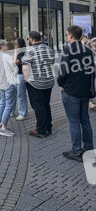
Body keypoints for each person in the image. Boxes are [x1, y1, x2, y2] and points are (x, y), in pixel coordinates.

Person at [58, 25, 95, 162]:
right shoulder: (88, 50)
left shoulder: (68, 49)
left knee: (74, 121)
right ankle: (89, 147)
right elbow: (92, 71)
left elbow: (63, 71)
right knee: (85, 120)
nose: (67, 36)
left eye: (67, 34)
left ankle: (76, 150)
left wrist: (60, 84)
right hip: (85, 90)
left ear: (71, 36)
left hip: (71, 90)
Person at [22, 31, 55, 138]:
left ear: (31, 39)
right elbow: (52, 62)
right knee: (46, 104)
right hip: (48, 81)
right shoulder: (49, 49)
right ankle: (48, 127)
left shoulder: (30, 50)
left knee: (38, 106)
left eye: (28, 39)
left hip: (35, 82)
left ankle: (41, 130)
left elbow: (26, 67)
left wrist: (25, 79)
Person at [0, 40, 19, 137]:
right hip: (9, 82)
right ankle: (4, 128)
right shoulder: (7, 56)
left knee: (3, 102)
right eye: (6, 45)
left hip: (2, 82)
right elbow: (15, 68)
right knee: (9, 105)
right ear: (2, 46)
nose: (8, 46)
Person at [11, 37, 27, 120]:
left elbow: (15, 63)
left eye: (16, 43)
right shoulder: (17, 52)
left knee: (20, 95)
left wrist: (16, 53)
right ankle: (12, 111)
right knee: (13, 94)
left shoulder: (22, 52)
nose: (14, 45)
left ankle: (22, 113)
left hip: (21, 75)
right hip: (15, 75)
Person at [88, 37, 96, 110]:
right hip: (92, 70)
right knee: (91, 85)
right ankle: (90, 102)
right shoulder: (89, 52)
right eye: (94, 46)